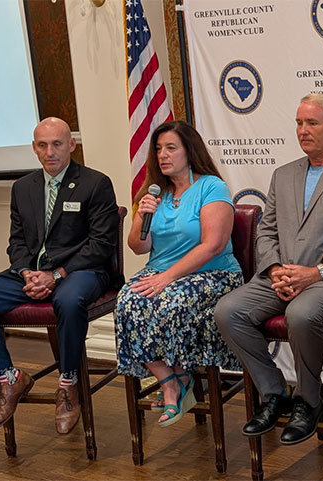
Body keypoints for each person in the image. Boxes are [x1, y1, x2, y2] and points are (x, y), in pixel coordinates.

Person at [215, 93, 323, 445]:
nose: (302, 130)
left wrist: (315, 273)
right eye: (298, 123)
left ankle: (309, 400)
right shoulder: (284, 174)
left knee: (302, 314)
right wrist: (275, 268)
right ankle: (274, 392)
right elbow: (267, 229)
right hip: (283, 276)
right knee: (228, 311)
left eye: (312, 123)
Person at [0, 117, 119, 435]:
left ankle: (68, 382)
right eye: (42, 145)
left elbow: (101, 245)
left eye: (57, 144)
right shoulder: (23, 187)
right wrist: (28, 272)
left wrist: (55, 275)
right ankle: (9, 379)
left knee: (69, 300)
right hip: (32, 273)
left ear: (72, 145)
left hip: (81, 271)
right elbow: (17, 241)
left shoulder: (95, 183)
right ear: (34, 148)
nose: (50, 152)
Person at [114, 121, 242, 427]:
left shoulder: (211, 187)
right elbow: (137, 247)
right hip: (161, 271)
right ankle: (172, 379)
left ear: (189, 150)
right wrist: (142, 216)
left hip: (213, 274)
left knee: (170, 300)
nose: (162, 155)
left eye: (171, 148)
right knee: (126, 301)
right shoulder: (154, 192)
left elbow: (212, 245)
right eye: (158, 149)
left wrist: (167, 277)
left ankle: (181, 378)